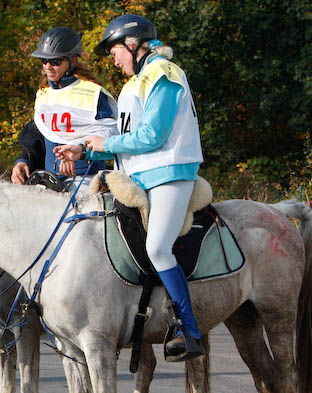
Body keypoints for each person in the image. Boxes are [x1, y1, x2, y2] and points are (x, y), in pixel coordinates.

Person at [54, 14, 204, 361]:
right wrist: (85, 148)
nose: (114, 58)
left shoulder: (164, 75)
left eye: (116, 51)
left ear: (133, 45)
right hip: (139, 176)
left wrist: (104, 147)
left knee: (158, 248)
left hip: (169, 173)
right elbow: (123, 137)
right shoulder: (133, 84)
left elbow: (153, 135)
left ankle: (188, 328)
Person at [11, 27, 117, 186]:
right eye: (44, 61)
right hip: (48, 180)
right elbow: (39, 134)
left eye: (55, 61)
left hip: (85, 179)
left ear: (73, 60)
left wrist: (79, 150)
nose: (48, 67)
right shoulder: (44, 94)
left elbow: (109, 134)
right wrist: (22, 160)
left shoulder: (93, 93)